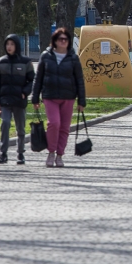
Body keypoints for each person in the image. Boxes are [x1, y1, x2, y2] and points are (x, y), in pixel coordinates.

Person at [32, 27, 86, 168]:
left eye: (65, 39)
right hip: (50, 96)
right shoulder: (46, 56)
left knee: (64, 127)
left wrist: (82, 100)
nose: (63, 41)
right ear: (54, 41)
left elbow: (79, 80)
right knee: (54, 123)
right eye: (60, 39)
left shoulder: (73, 58)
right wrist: (35, 97)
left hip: (68, 96)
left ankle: (60, 155)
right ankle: (51, 152)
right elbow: (39, 78)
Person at [0, 34, 35, 165]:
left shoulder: (25, 62)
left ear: (16, 46)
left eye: (12, 44)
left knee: (20, 128)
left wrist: (25, 92)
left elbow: (31, 80)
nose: (9, 47)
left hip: (19, 100)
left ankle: (20, 153)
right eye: (7, 44)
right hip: (5, 100)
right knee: (5, 124)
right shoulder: (1, 62)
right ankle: (3, 153)